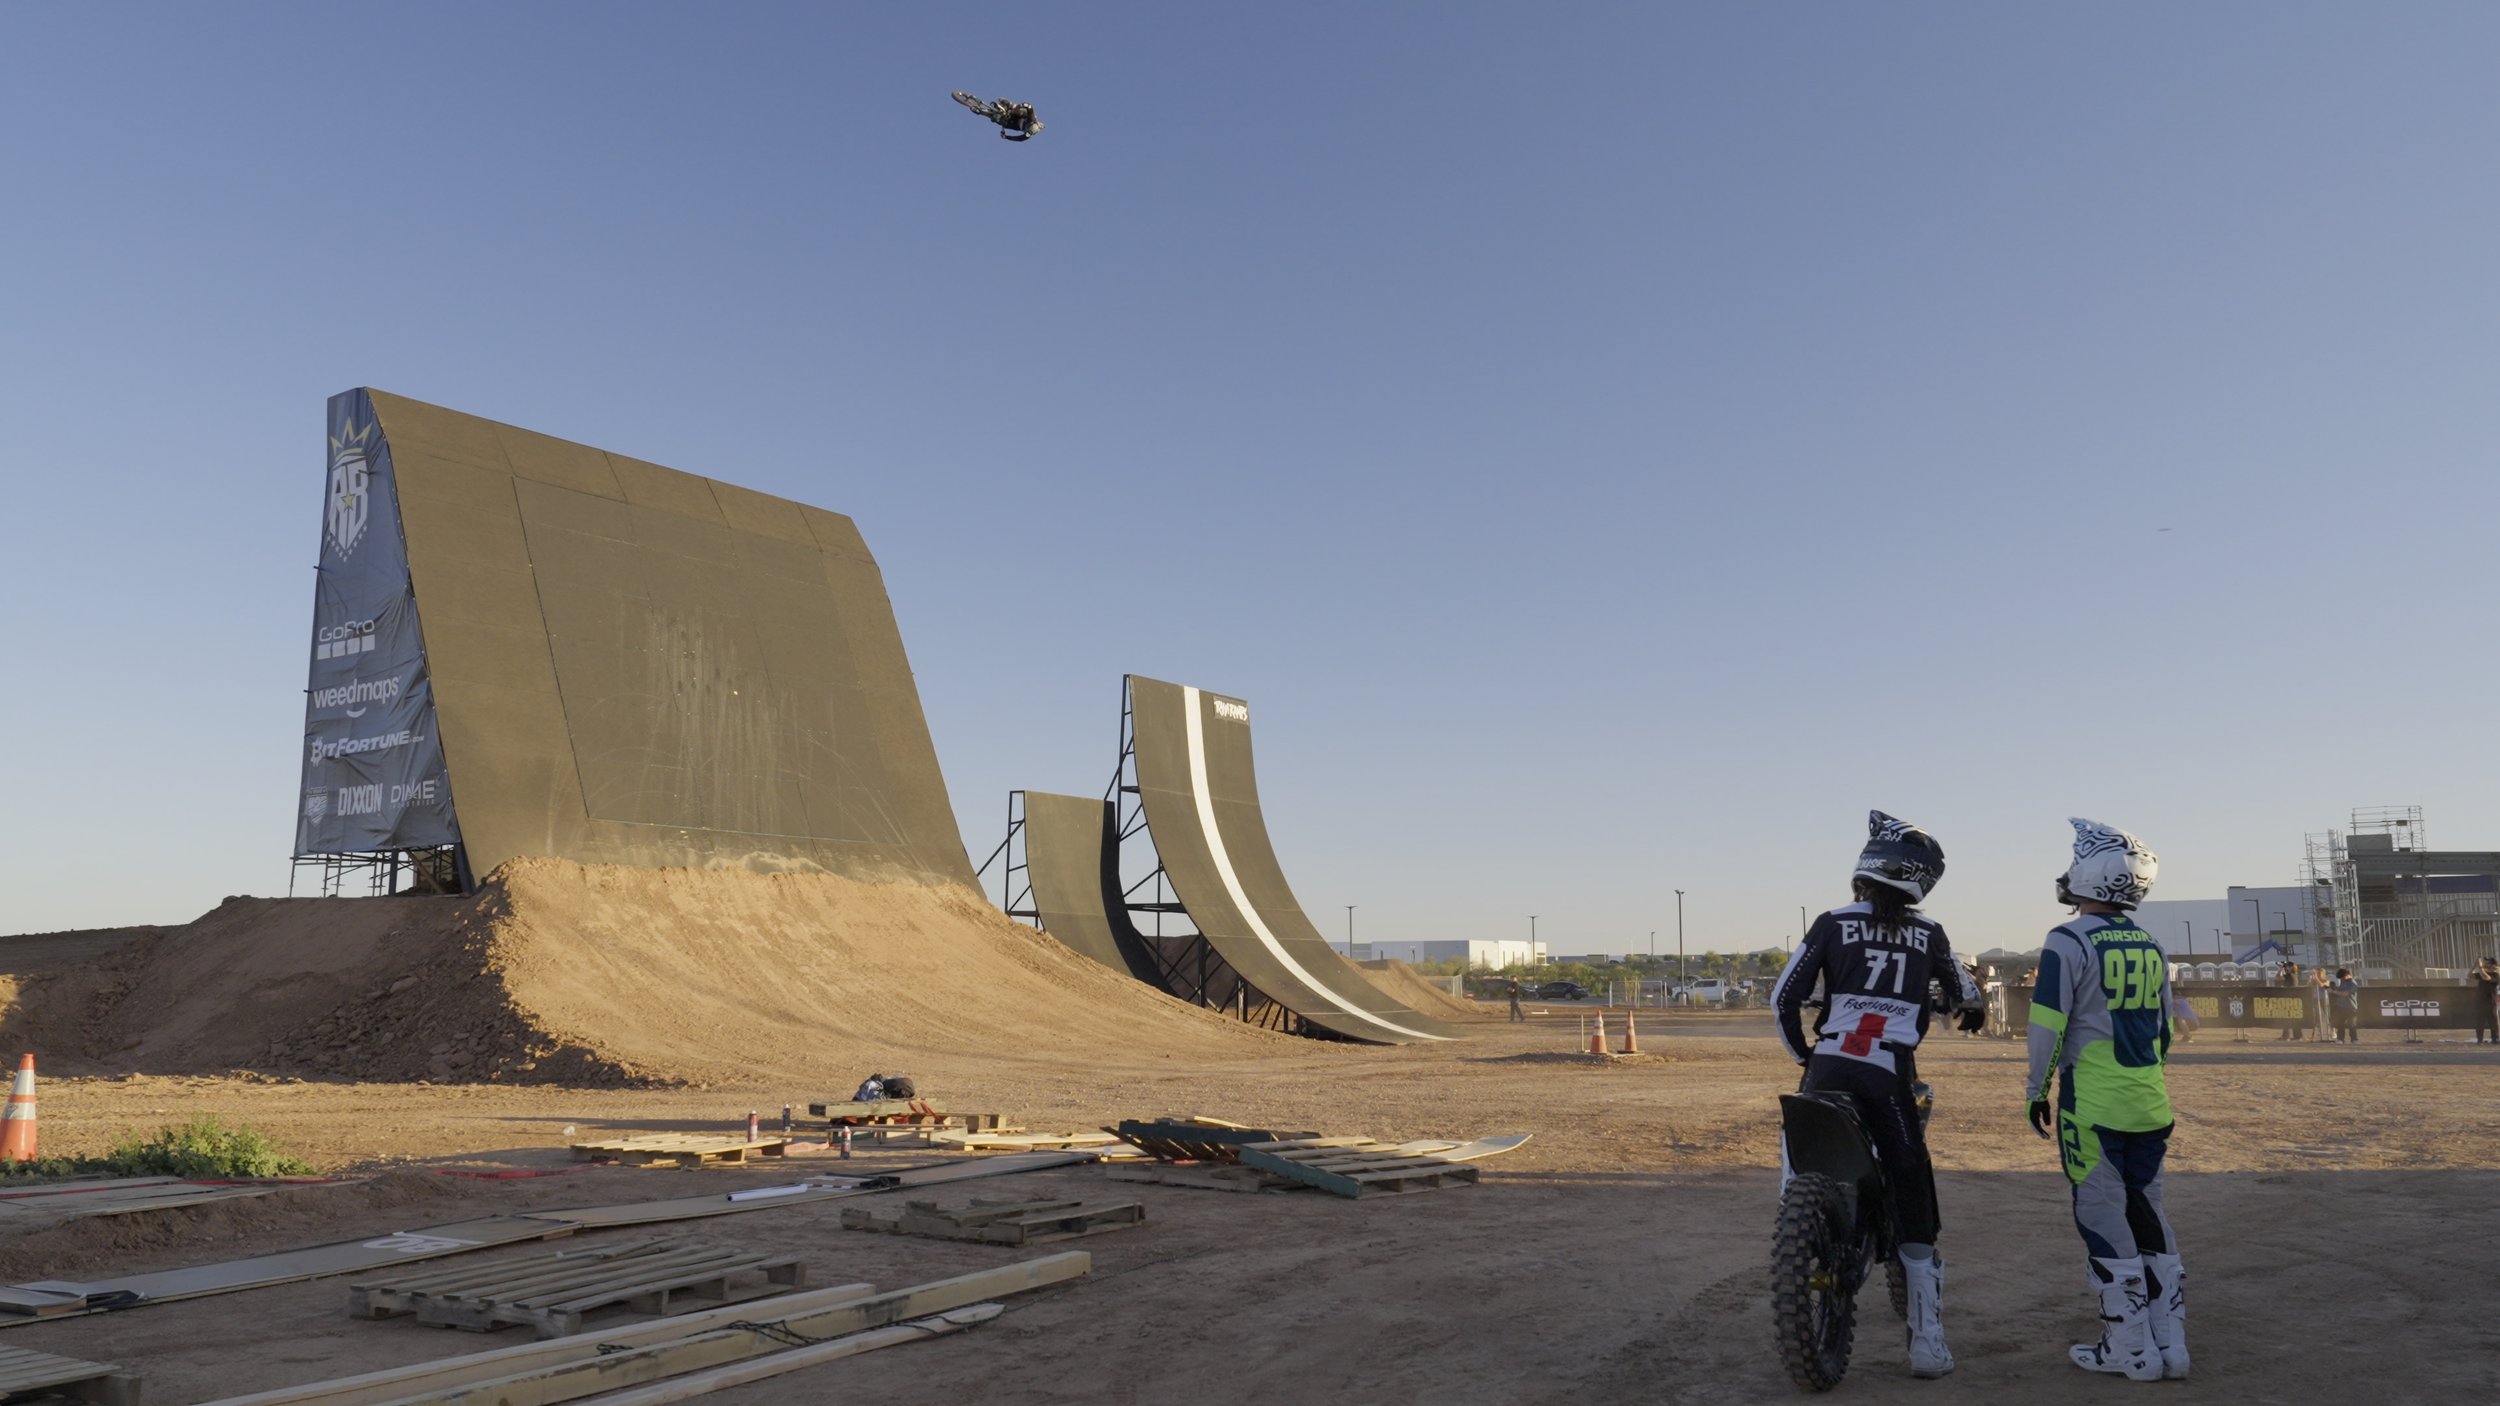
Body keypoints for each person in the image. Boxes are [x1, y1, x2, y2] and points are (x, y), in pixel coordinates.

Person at [1773, 810, 1983, 1379]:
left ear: (1865, 868)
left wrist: (1804, 1055)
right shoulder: (1929, 932)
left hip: (1829, 1064)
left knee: (1797, 1148)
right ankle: (1927, 1342)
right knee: (1911, 1179)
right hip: (1887, 1069)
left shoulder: (1831, 921)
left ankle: (1794, 1214)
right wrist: (1969, 1008)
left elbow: (1783, 998)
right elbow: (1964, 990)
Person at [2026, 818, 2189, 1381]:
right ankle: (2171, 1345)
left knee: (2101, 1215)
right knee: (2149, 1211)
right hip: (2150, 1103)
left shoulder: (2067, 939)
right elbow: (2164, 1031)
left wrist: (2036, 1090)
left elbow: (2047, 1026)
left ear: (2092, 873)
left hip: (2093, 1105)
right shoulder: (2151, 943)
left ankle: (2130, 1349)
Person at [2329, 968, 2362, 1043]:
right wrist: (2331, 987)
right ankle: (2340, 1039)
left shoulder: (2353, 984)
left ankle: (2354, 1039)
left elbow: (2345, 994)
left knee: (2352, 1024)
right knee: (2340, 1024)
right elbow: (2337, 989)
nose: (2342, 979)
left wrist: (2334, 992)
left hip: (2351, 1007)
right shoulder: (2342, 982)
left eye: (2343, 977)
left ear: (2347, 975)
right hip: (2340, 1007)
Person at [2473, 959, 2500, 1046]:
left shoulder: (2496, 975)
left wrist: (2481, 967)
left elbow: (2486, 977)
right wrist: (2474, 966)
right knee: (2480, 1022)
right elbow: (2469, 975)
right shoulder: (2481, 973)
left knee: (2493, 1022)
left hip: (2491, 1002)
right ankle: (2479, 1040)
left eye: (2488, 963)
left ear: (2493, 965)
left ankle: (2495, 1039)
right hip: (2480, 1002)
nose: (2486, 965)